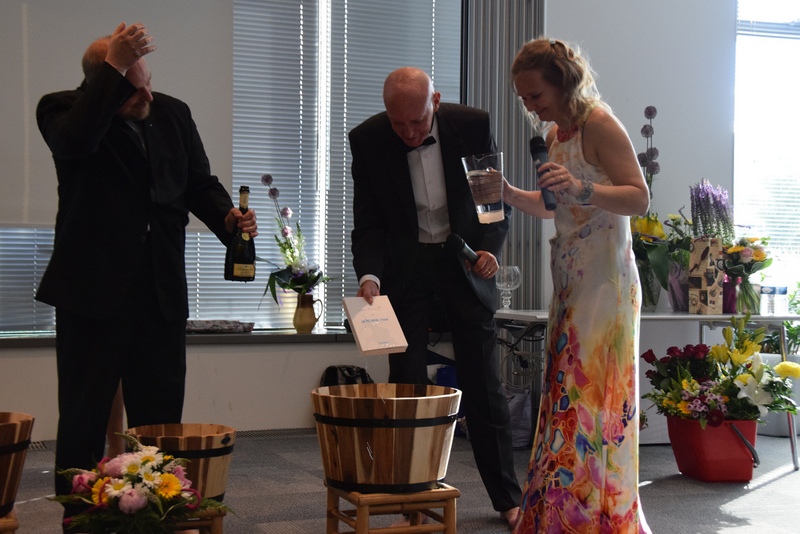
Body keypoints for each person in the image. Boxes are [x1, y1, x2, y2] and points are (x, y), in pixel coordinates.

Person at [35, 22, 258, 518]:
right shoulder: (63, 110)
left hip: (160, 292)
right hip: (91, 294)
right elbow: (74, 144)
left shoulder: (173, 113)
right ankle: (81, 522)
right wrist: (113, 70)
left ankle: (157, 518)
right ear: (103, 82)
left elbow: (199, 183)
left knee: (159, 425)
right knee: (84, 420)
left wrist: (226, 218)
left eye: (149, 82)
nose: (148, 96)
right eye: (133, 89)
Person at [349, 66, 521, 528]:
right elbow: (368, 221)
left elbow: (491, 202)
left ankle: (508, 498)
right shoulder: (367, 139)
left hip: (462, 259)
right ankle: (411, 502)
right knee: (407, 387)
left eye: (417, 122)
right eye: (398, 123)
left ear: (436, 102)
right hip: (406, 269)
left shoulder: (472, 125)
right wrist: (370, 277)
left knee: (483, 383)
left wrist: (490, 249)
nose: (408, 133)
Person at [502, 38, 651, 533]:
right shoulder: (554, 135)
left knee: (590, 396)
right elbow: (554, 207)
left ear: (563, 83)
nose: (530, 106)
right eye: (524, 98)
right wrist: (507, 193)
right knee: (564, 394)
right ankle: (562, 514)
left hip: (605, 283)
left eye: (536, 96)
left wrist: (582, 187)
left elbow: (638, 198)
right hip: (569, 281)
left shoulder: (599, 124)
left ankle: (594, 517)